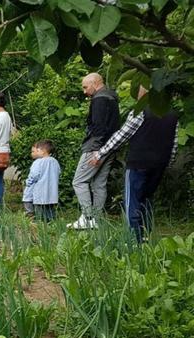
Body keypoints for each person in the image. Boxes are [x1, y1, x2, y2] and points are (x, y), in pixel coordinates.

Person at [89, 86, 179, 243]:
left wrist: (100, 153)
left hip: (139, 161)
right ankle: (146, 234)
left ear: (143, 93)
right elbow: (174, 142)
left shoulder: (140, 111)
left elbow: (122, 135)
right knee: (147, 198)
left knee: (133, 201)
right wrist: (169, 162)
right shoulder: (172, 114)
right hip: (160, 163)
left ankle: (133, 239)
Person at [69, 73, 120, 230]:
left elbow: (98, 127)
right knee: (99, 184)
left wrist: (97, 151)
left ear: (95, 83)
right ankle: (96, 220)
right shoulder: (112, 98)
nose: (84, 91)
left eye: (85, 87)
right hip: (111, 146)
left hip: (96, 147)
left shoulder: (99, 99)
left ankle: (87, 217)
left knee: (79, 181)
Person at [24, 140, 61, 222]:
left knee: (40, 212)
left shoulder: (38, 162)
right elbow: (59, 172)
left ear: (43, 151)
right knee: (50, 210)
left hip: (40, 192)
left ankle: (39, 223)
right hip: (52, 193)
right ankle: (51, 222)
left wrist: (28, 182)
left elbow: (34, 175)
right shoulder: (55, 162)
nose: (36, 152)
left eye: (38, 150)